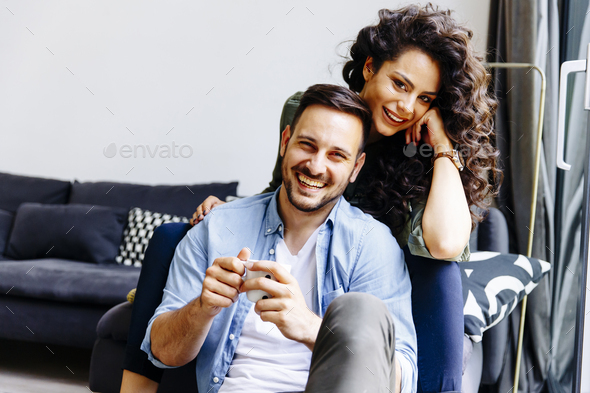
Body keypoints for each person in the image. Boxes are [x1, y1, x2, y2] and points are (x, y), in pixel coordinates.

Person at [122, 4, 500, 393]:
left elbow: (445, 244)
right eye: (400, 85)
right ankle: (136, 385)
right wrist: (231, 213)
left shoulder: (416, 148)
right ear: (370, 67)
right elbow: (284, 190)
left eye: (424, 98)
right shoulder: (308, 108)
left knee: (440, 273)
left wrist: (440, 145)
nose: (407, 107)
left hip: (381, 268)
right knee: (172, 234)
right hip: (306, 238)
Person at [140, 84, 417, 393]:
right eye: (307, 145)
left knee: (360, 311)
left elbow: (402, 381)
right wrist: (202, 308)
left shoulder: (372, 244)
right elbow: (162, 353)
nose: (315, 165)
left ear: (356, 168)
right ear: (285, 141)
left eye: (337, 155)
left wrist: (314, 329)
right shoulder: (219, 226)